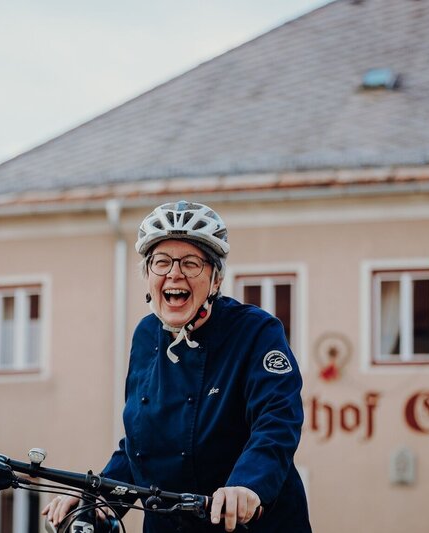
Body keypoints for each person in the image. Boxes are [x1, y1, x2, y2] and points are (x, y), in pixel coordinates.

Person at [43, 200, 311, 532]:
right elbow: (139, 445)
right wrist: (97, 498)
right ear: (148, 276)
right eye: (162, 262)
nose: (174, 273)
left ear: (215, 280)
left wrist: (247, 486)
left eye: (190, 263)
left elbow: (276, 422)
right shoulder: (145, 336)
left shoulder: (256, 331)